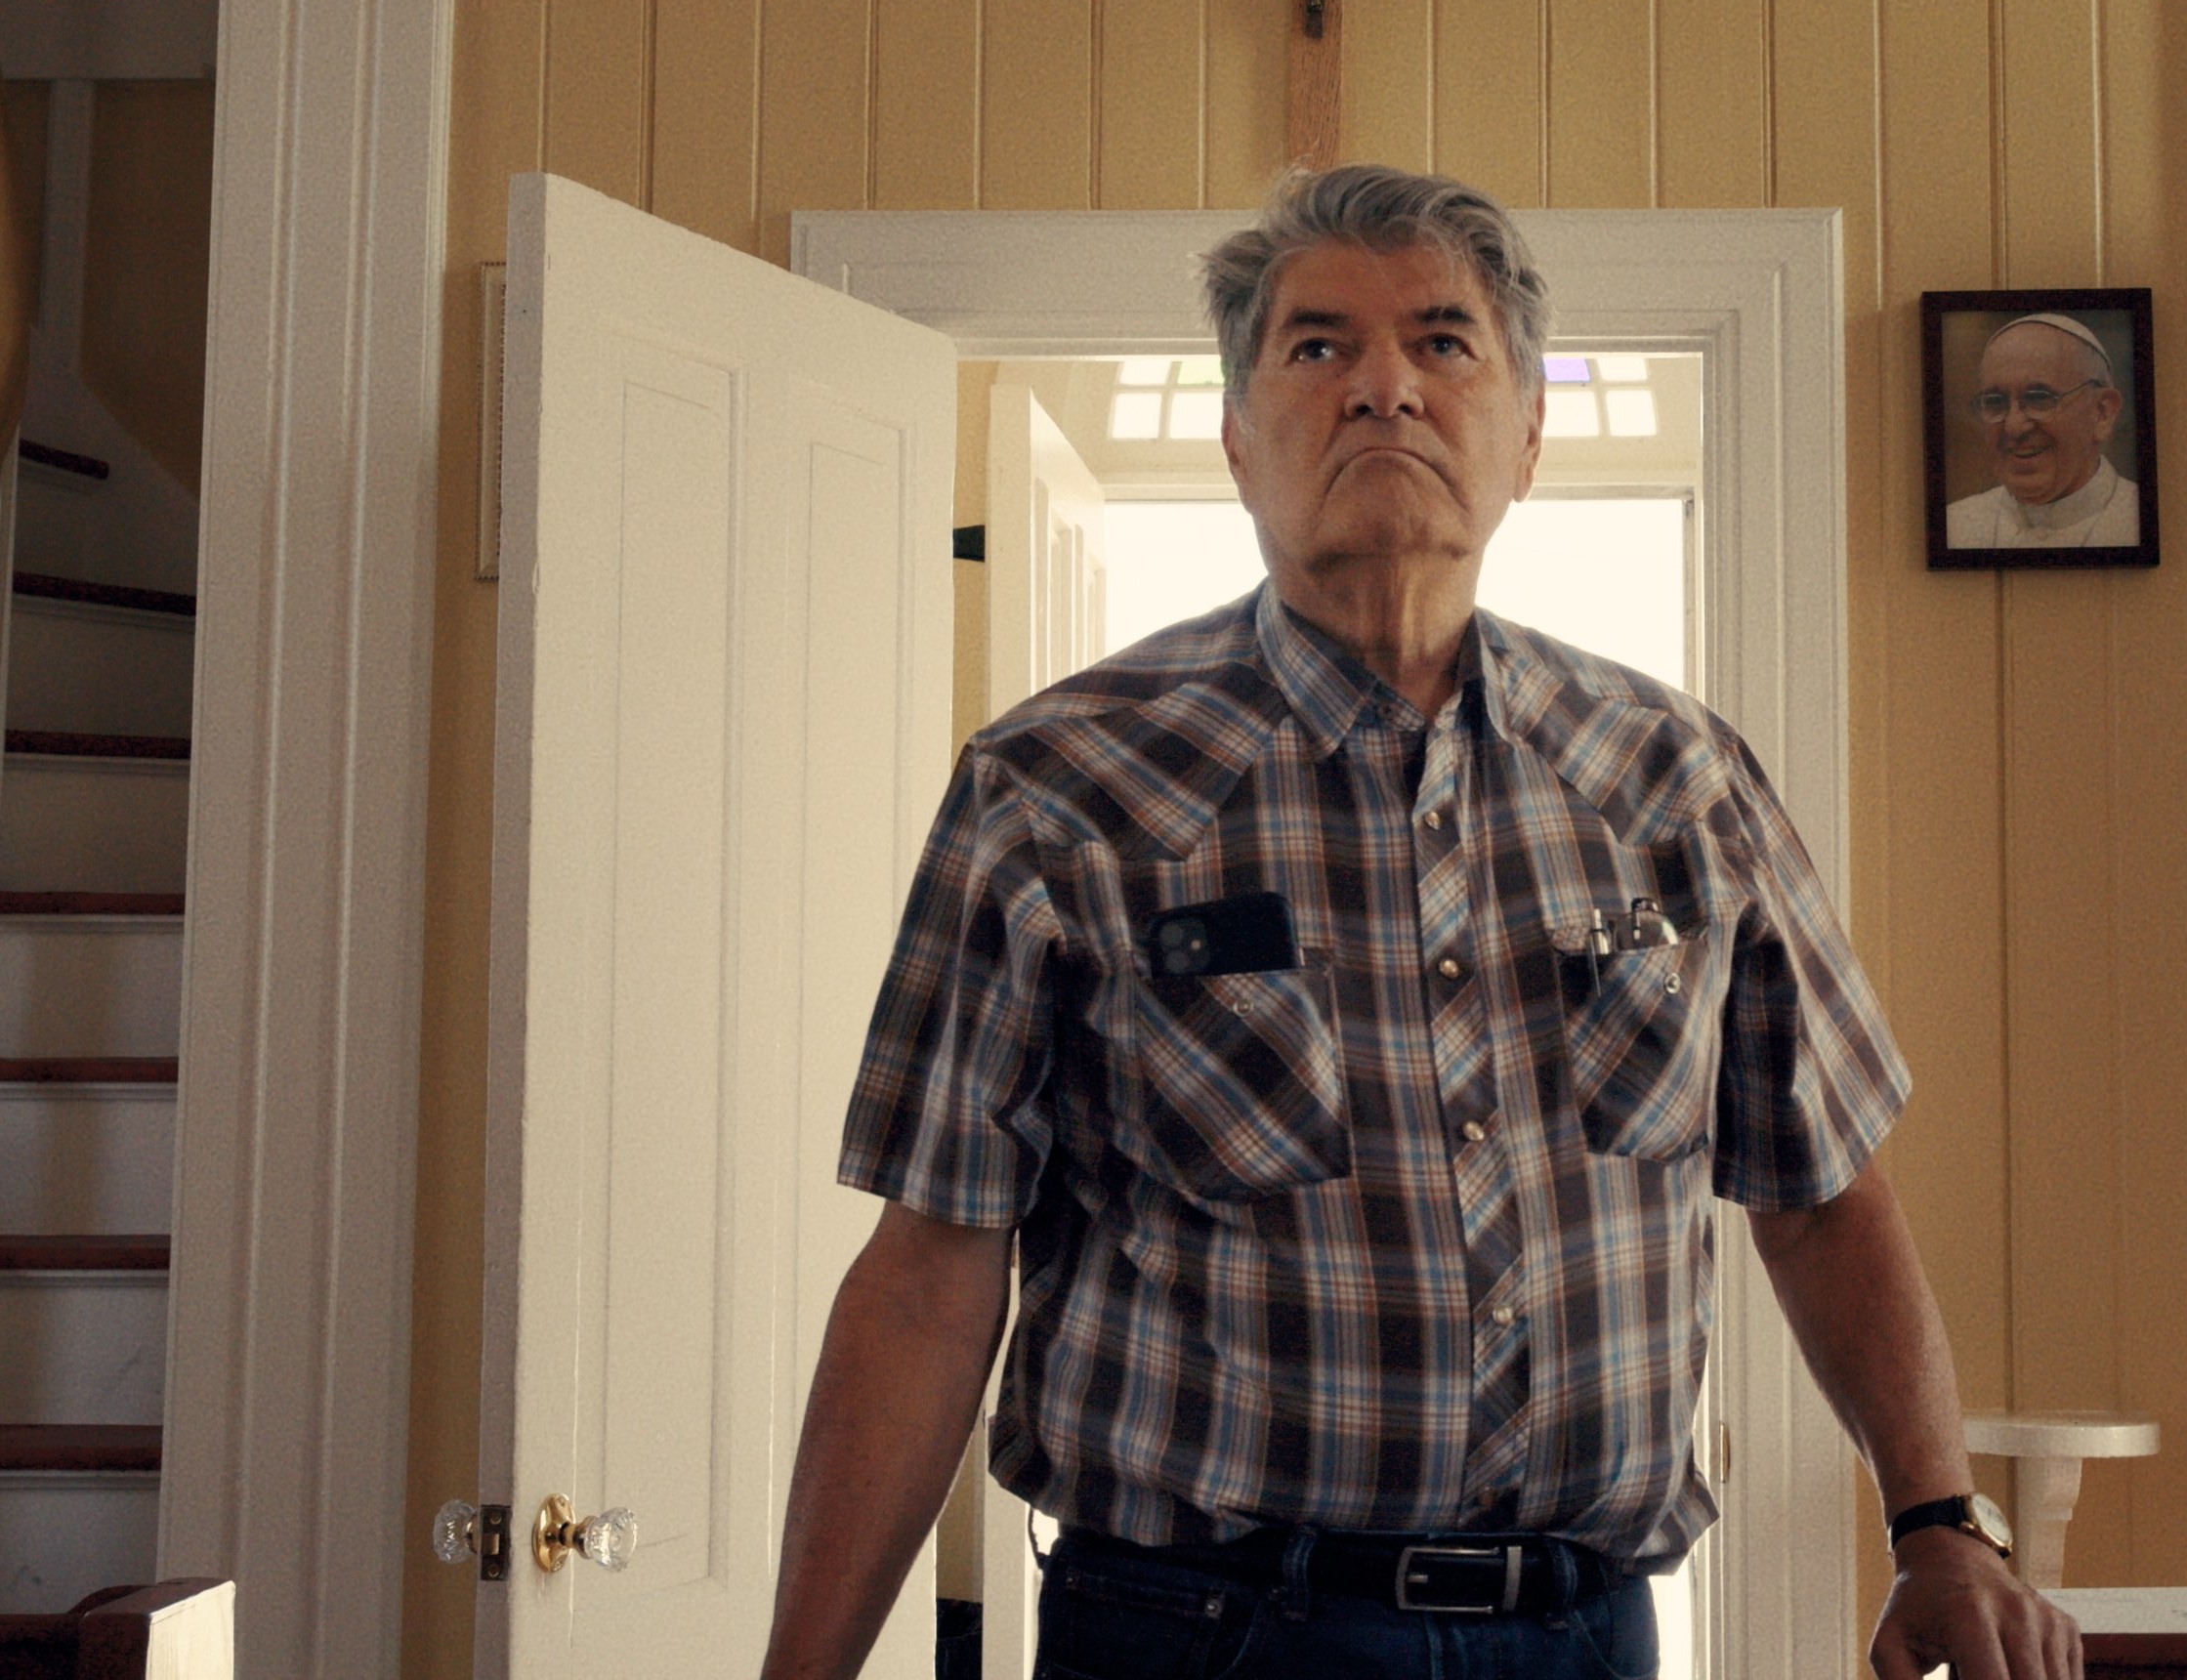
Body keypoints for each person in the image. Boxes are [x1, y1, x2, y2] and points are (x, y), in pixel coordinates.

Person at [760, 166, 2084, 1680]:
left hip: (1583, 1638)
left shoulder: (1680, 778)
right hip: (1198, 1638)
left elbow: (1822, 1193)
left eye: (1444, 343)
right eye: (1317, 347)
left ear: (1526, 436)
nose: (1383, 386)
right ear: (1239, 438)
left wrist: (1939, 1525)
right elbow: (931, 1272)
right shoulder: (1052, 789)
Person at [1941, 315, 2140, 549]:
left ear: (2101, 412)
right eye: (1995, 402)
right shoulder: (1955, 526)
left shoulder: (2138, 521)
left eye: (2039, 399)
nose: (2013, 427)